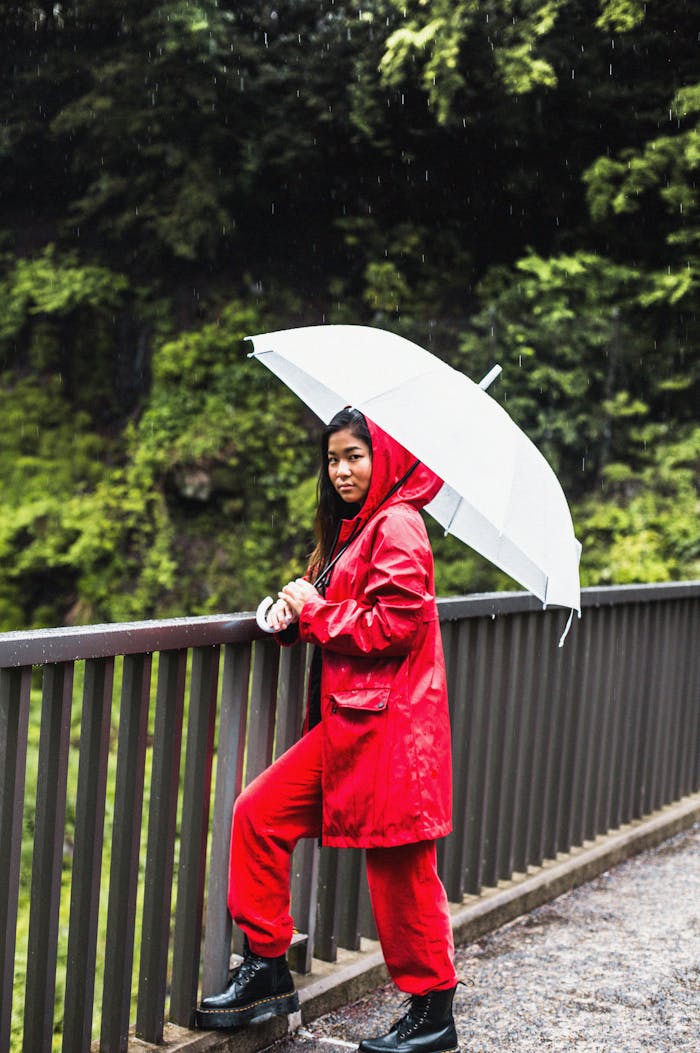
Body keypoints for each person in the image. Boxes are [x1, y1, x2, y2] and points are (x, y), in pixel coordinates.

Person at [197, 408, 460, 1053]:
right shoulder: (360, 526)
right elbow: (351, 613)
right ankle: (266, 967)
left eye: (356, 457)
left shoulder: (397, 523)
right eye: (335, 458)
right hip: (353, 728)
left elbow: (395, 628)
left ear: (386, 459)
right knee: (259, 813)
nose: (342, 470)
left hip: (392, 732)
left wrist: (317, 612)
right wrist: (297, 616)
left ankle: (433, 1014)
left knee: (402, 872)